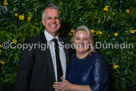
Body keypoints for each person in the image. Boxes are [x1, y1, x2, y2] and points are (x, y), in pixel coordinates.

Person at [15, 4, 73, 91]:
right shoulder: (32, 43)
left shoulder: (66, 44)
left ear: (60, 21)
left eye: (56, 18)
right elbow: (22, 77)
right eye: (49, 18)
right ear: (43, 21)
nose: (53, 21)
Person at [53, 26, 109, 91]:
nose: (81, 42)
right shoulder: (71, 58)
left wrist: (70, 87)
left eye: (85, 39)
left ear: (90, 42)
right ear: (73, 41)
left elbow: (99, 88)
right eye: (77, 39)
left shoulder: (97, 59)